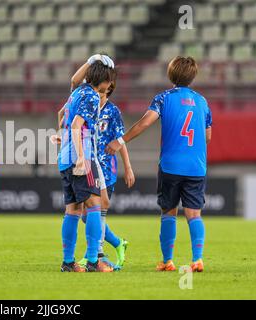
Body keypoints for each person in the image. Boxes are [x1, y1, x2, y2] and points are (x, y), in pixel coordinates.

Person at [107, 56, 212, 272]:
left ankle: (168, 261)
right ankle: (198, 259)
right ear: (193, 76)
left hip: (171, 166)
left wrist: (121, 140)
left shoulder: (163, 98)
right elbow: (208, 136)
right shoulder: (202, 102)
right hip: (196, 166)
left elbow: (145, 122)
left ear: (170, 74)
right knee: (194, 214)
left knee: (168, 212)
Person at [66, 54, 135, 270]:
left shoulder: (112, 111)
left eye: (108, 92)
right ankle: (113, 244)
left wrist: (128, 167)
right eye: (104, 89)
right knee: (90, 210)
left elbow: (120, 141)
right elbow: (74, 83)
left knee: (99, 207)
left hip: (105, 165)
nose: (105, 93)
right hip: (89, 160)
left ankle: (97, 254)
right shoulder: (87, 99)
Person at [58, 60, 115, 272]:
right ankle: (93, 261)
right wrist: (82, 157)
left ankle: (68, 262)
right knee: (94, 205)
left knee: (72, 210)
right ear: (105, 80)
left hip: (64, 158)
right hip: (80, 156)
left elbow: (73, 80)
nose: (109, 86)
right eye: (109, 81)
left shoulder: (77, 91)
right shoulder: (91, 95)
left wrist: (91, 59)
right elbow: (76, 125)